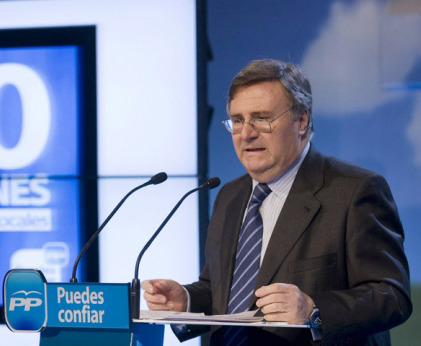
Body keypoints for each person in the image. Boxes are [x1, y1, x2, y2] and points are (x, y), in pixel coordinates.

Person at [143, 59, 412, 345]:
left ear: (302, 121)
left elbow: (392, 296)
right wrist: (186, 301)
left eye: (261, 118)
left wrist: (313, 310)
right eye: (237, 120)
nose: (246, 133)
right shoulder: (229, 196)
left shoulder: (354, 190)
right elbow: (225, 294)